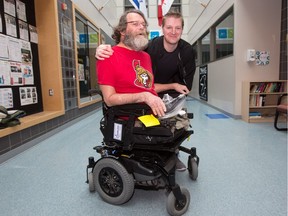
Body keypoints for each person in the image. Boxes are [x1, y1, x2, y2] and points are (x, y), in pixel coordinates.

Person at [96, 11, 196, 171]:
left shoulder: (145, 57)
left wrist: (164, 92)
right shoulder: (108, 55)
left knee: (182, 120)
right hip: (129, 116)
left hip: (150, 112)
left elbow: (149, 87)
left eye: (143, 24)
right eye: (135, 24)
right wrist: (144, 96)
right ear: (122, 30)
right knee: (170, 128)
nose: (141, 27)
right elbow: (109, 99)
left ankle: (169, 156)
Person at [96, 11, 196, 99]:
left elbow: (149, 87)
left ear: (182, 29)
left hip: (166, 100)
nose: (173, 32)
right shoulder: (149, 48)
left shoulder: (187, 51)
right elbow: (125, 47)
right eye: (169, 27)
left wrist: (173, 88)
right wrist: (102, 49)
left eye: (143, 25)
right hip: (140, 105)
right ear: (163, 29)